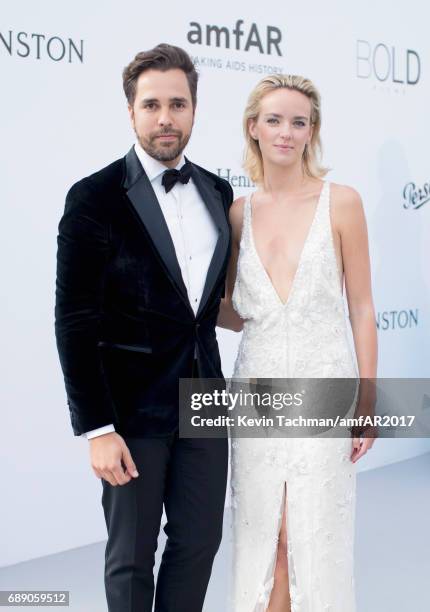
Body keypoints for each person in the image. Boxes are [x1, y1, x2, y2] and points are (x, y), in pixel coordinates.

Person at [55, 43, 233, 612]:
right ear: (130, 110)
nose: (165, 117)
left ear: (194, 110)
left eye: (177, 104)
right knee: (132, 556)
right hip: (130, 408)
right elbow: (74, 319)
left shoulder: (217, 191)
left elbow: (211, 304)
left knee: (200, 542)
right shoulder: (93, 197)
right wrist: (96, 427)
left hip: (205, 398)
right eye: (151, 104)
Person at [218, 74, 377, 611]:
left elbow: (361, 308)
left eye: (299, 122)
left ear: (312, 133)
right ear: (253, 128)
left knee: (309, 539)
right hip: (257, 392)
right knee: (267, 540)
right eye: (275, 120)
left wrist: (369, 399)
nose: (286, 132)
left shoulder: (343, 202)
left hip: (324, 389)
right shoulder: (238, 212)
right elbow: (234, 313)